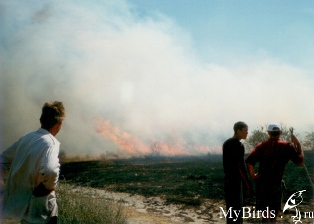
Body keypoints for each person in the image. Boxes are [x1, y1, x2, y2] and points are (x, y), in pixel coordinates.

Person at [1, 101, 65, 224]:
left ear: (41, 120)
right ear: (60, 123)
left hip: (23, 208)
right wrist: (48, 187)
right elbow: (50, 170)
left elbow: (3, 157)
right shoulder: (51, 143)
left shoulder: (27, 138)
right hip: (41, 210)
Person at [246, 124, 304, 224]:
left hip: (262, 182)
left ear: (268, 133)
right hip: (276, 182)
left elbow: (250, 161)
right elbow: (300, 162)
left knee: (265, 210)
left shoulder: (261, 146)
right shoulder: (287, 146)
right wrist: (298, 144)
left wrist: (253, 175)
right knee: (274, 208)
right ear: (280, 133)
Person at [222, 121, 252, 224]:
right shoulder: (238, 145)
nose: (247, 133)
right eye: (245, 130)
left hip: (228, 181)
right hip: (236, 182)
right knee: (237, 211)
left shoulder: (226, 143)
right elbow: (240, 166)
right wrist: (247, 184)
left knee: (231, 210)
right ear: (238, 131)